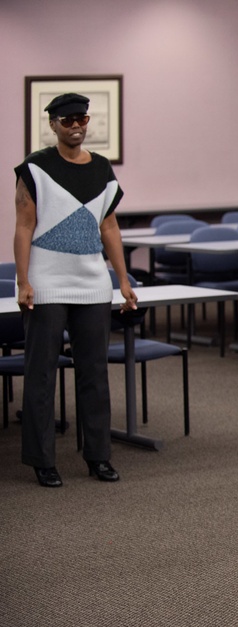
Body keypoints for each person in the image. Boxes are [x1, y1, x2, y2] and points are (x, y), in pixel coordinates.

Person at [13, 92, 138, 488]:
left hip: (92, 283)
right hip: (47, 282)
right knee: (41, 374)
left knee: (94, 374)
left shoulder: (102, 169)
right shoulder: (36, 167)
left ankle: (98, 456)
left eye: (82, 118)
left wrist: (122, 279)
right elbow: (23, 225)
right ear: (52, 124)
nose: (76, 126)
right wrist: (23, 279)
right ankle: (41, 460)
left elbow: (109, 227)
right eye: (67, 120)